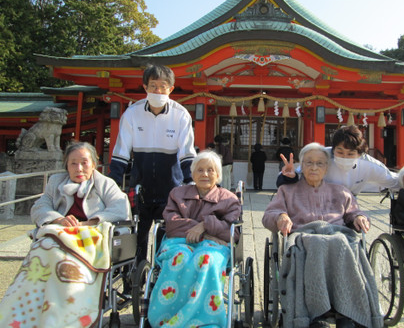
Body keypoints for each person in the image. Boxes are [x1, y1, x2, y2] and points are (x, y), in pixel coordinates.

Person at [0, 141, 131, 327]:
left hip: (89, 239)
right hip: (58, 236)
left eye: (84, 162)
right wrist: (58, 219)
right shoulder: (56, 182)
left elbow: (120, 208)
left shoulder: (105, 183)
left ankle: (66, 314)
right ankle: (21, 312)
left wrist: (91, 222)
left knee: (64, 262)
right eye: (73, 163)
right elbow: (39, 207)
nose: (79, 168)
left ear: (94, 164)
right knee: (40, 252)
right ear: (66, 166)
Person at [263, 142, 382, 328]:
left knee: (342, 242)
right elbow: (269, 215)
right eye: (309, 163)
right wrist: (281, 217)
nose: (314, 167)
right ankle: (317, 311)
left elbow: (353, 212)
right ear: (301, 165)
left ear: (327, 168)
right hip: (304, 238)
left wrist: (359, 217)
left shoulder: (341, 191)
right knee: (317, 243)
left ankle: (346, 311)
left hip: (337, 235)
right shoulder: (286, 191)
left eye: (320, 163)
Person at [109, 64, 196, 262]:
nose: (158, 90)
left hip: (171, 184)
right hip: (140, 183)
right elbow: (121, 152)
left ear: (171, 89)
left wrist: (191, 183)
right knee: (137, 233)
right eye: (153, 86)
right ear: (145, 87)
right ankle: (134, 275)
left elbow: (187, 153)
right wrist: (112, 184)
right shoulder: (132, 113)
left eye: (163, 86)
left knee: (166, 233)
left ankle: (160, 272)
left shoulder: (181, 114)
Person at [147, 150, 241, 327]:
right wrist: (206, 230)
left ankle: (204, 319)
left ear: (219, 174)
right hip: (179, 243)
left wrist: (204, 225)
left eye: (210, 170)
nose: (205, 174)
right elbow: (172, 223)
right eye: (200, 170)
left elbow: (232, 232)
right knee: (179, 258)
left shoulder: (229, 199)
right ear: (192, 173)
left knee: (205, 259)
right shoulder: (177, 194)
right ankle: (167, 317)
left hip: (214, 247)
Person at [277, 125, 399, 195]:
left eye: (350, 154)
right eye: (340, 152)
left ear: (359, 154)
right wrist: (289, 176)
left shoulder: (369, 165)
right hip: (317, 196)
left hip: (349, 201)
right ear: (333, 149)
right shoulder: (322, 157)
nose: (344, 157)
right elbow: (296, 175)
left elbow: (393, 181)